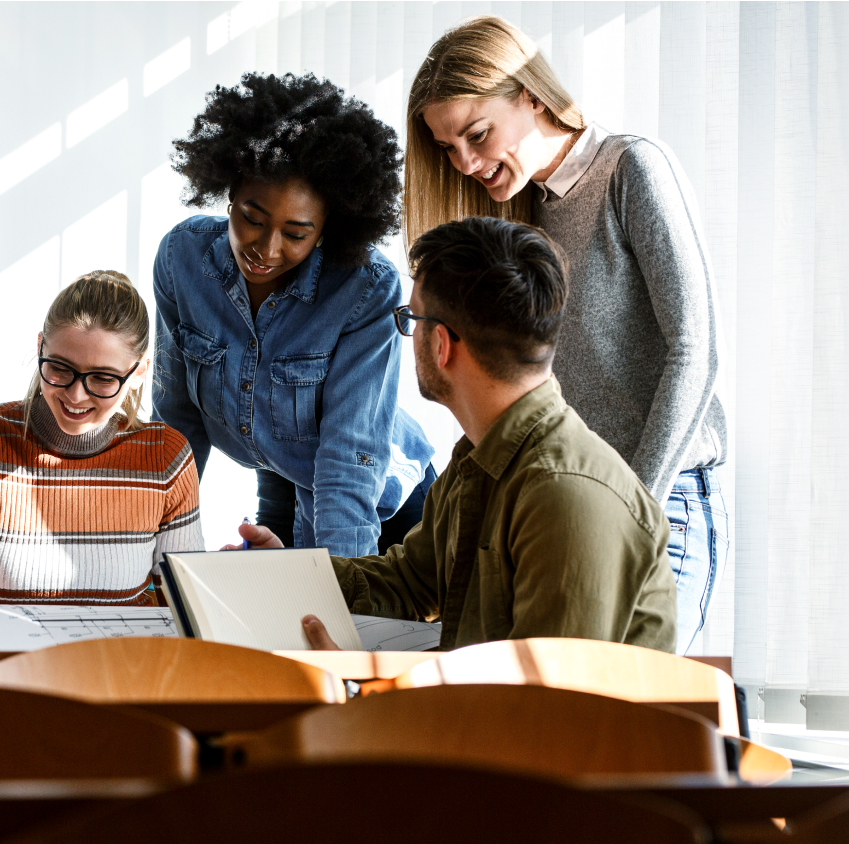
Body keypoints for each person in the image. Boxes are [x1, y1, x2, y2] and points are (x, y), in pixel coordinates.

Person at [401, 16, 726, 654]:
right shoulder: (521, 210)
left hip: (661, 497)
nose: (465, 162)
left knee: (607, 715)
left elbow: (696, 351)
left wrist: (634, 506)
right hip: (563, 505)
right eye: (447, 148)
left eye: (477, 134)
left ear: (529, 94)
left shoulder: (632, 169)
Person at [236, 217, 677, 654]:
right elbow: (410, 583)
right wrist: (290, 576)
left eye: (409, 319)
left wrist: (364, 692)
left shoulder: (565, 496)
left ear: (441, 344)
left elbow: (543, 711)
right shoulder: (479, 460)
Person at [153, 72, 435, 558]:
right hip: (282, 481)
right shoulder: (184, 258)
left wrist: (342, 594)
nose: (265, 248)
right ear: (230, 192)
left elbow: (347, 461)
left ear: (328, 228)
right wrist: (159, 549)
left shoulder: (366, 289)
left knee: (334, 622)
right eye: (252, 218)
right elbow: (177, 423)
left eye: (296, 233)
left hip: (379, 511)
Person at [0, 271, 201, 605]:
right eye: (59, 368)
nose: (75, 395)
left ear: (139, 372)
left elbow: (185, 609)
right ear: (40, 346)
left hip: (120, 658)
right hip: (0, 657)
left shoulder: (166, 458)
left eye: (103, 378)